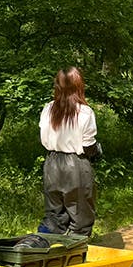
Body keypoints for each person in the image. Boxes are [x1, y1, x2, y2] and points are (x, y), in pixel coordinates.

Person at [38, 66, 101, 236]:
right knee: (81, 219)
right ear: (79, 86)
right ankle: (75, 257)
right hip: (76, 166)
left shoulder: (48, 109)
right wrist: (97, 152)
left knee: (53, 218)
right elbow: (88, 145)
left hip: (51, 164)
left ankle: (47, 254)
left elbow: (43, 138)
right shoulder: (85, 112)